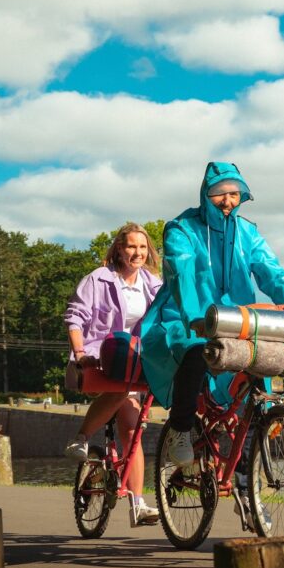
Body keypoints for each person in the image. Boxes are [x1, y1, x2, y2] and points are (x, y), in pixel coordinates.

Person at [139, 161, 284, 526]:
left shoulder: (248, 232)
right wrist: (194, 316)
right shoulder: (181, 229)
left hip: (238, 319)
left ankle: (246, 490)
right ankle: (183, 428)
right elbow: (181, 270)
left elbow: (271, 272)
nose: (228, 200)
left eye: (234, 193)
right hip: (186, 314)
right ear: (206, 194)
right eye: (221, 193)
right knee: (192, 350)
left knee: (256, 394)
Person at [63, 222, 163, 527]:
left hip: (134, 361)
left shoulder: (152, 283)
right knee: (121, 390)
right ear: (119, 248)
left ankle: (138, 504)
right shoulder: (99, 279)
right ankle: (81, 438)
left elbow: (166, 316)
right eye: (132, 246)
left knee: (133, 431)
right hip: (99, 359)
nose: (138, 253)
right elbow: (75, 317)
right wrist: (80, 354)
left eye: (143, 247)